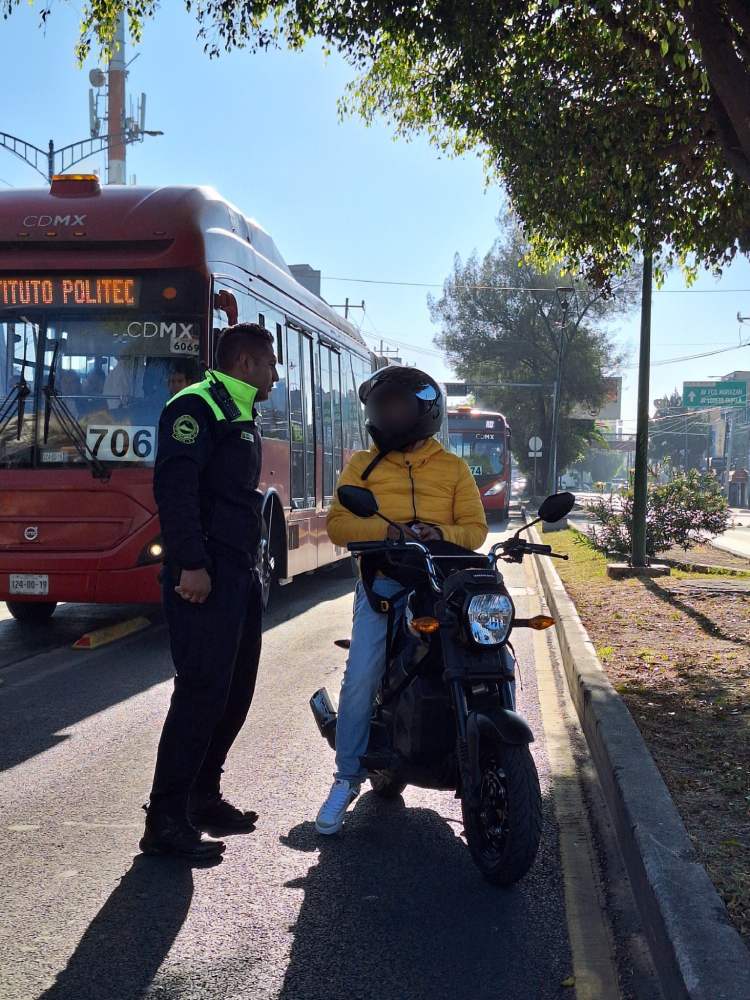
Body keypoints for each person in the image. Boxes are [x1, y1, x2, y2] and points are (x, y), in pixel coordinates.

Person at [316, 366, 488, 835]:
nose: (389, 415)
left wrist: (441, 534)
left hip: (445, 582)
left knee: (487, 650)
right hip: (385, 584)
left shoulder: (452, 468)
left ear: (424, 411)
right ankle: (346, 777)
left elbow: (475, 530)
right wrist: (389, 531)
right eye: (382, 407)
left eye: (399, 406)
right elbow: (338, 525)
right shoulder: (361, 467)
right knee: (361, 676)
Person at [140, 322, 279, 861]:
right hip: (205, 574)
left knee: (234, 689)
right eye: (269, 364)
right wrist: (191, 565)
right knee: (200, 691)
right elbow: (175, 490)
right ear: (245, 364)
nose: (274, 374)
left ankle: (202, 796)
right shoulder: (195, 406)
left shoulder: (240, 408)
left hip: (239, 573)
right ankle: (165, 820)